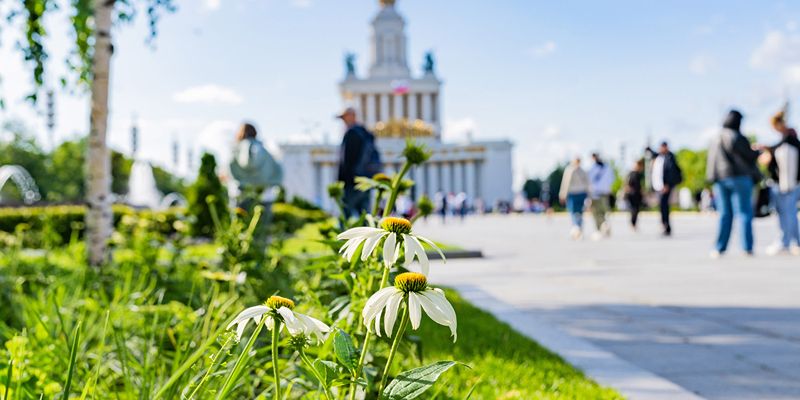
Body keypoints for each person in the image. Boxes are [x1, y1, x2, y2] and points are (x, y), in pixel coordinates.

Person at [706, 110, 760, 257]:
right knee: (744, 213)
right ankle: (747, 247)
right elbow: (749, 156)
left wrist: (711, 178)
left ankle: (719, 247)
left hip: (721, 179)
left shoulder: (715, 138)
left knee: (724, 214)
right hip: (740, 177)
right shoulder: (737, 137)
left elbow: (712, 161)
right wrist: (757, 151)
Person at [762, 105, 800, 255]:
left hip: (788, 184)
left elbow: (788, 163)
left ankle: (788, 241)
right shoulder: (789, 139)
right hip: (787, 183)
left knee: (788, 214)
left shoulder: (789, 141)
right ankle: (793, 241)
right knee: (788, 214)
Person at [337, 107, 381, 218]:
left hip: (352, 182)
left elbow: (347, 160)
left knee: (344, 215)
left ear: (351, 116)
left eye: (344, 118)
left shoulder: (352, 133)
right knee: (365, 216)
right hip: (365, 181)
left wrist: (342, 181)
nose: (343, 121)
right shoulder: (365, 133)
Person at [229, 122, 283, 211]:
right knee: (262, 222)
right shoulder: (264, 151)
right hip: (264, 195)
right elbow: (278, 170)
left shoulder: (236, 150)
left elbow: (230, 169)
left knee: (239, 222)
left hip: (240, 194)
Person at [649, 141, 683, 236]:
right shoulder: (658, 157)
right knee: (662, 207)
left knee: (664, 207)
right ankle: (664, 225)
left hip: (665, 187)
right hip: (658, 186)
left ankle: (666, 226)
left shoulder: (670, 157)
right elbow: (653, 153)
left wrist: (667, 184)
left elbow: (671, 171)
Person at [559, 157, 590, 240]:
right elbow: (587, 184)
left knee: (573, 211)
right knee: (579, 212)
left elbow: (566, 183)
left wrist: (563, 194)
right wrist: (589, 194)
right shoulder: (583, 171)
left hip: (574, 193)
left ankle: (576, 227)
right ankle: (578, 228)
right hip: (581, 193)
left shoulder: (570, 170)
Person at [588, 153, 614, 239]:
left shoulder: (593, 168)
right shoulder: (607, 168)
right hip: (604, 192)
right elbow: (611, 179)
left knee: (597, 212)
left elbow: (589, 181)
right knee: (602, 212)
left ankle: (600, 229)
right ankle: (604, 227)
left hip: (596, 193)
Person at [624, 160, 644, 230]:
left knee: (634, 209)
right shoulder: (634, 174)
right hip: (634, 194)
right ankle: (633, 223)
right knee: (634, 209)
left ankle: (633, 223)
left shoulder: (633, 173)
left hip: (635, 194)